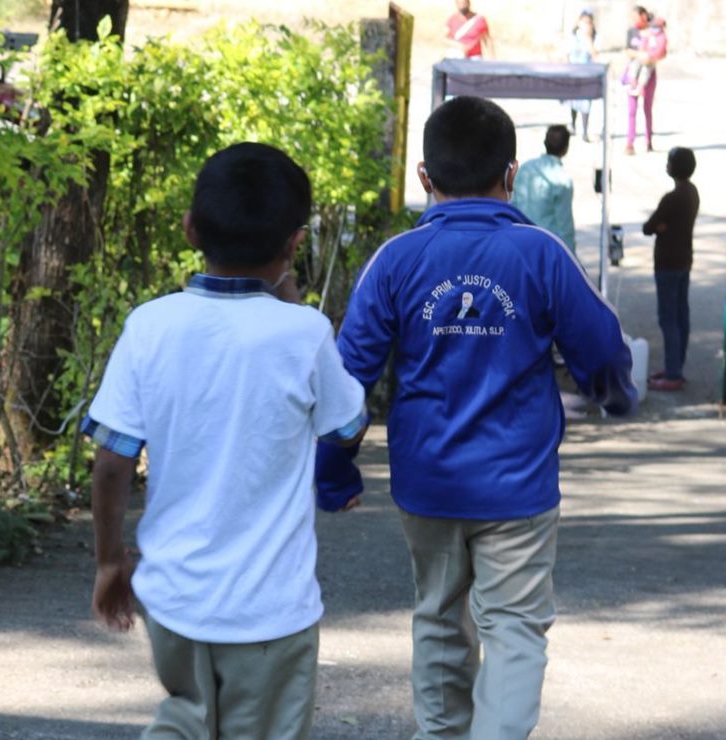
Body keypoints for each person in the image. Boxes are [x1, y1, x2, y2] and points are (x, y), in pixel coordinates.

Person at [315, 96, 638, 740]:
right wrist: (615, 395)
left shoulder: (397, 260)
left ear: (423, 177)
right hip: (518, 486)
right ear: (511, 175)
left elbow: (344, 377)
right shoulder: (540, 254)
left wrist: (334, 472)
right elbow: (601, 350)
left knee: (437, 616)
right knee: (515, 628)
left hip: (427, 482)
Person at [84, 142, 368, 739]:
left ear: (190, 229)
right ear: (295, 243)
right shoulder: (305, 333)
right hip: (270, 611)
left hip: (175, 603)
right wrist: (292, 303)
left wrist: (111, 561)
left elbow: (111, 462)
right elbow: (347, 428)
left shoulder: (149, 326)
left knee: (186, 716)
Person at [644, 146, 699, 392]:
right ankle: (676, 366)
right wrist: (661, 226)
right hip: (685, 260)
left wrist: (660, 227)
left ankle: (673, 372)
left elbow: (648, 226)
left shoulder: (672, 198)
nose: (666, 165)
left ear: (675, 167)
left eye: (669, 161)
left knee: (668, 318)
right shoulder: (692, 192)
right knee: (680, 315)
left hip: (667, 262)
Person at [511, 124, 577, 253]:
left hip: (519, 244)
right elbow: (565, 227)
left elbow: (513, 205)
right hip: (545, 250)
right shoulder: (562, 180)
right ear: (566, 148)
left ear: (545, 143)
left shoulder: (524, 168)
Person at [624, 6, 665, 154]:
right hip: (633, 72)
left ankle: (648, 141)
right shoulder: (632, 31)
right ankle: (630, 142)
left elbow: (662, 50)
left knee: (647, 109)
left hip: (649, 72)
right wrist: (639, 55)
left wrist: (651, 58)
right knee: (632, 110)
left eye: (635, 16)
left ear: (644, 15)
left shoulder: (655, 30)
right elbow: (627, 49)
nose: (634, 20)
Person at [567, 9, 597, 140]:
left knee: (586, 102)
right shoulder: (573, 36)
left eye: (589, 22)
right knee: (573, 101)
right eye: (584, 22)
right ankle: (573, 125)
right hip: (573, 73)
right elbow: (566, 53)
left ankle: (585, 131)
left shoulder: (594, 37)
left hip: (587, 75)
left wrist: (589, 38)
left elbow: (595, 54)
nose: (586, 25)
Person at [626, 17, 668, 97]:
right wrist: (641, 52)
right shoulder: (648, 34)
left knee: (645, 72)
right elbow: (642, 44)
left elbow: (661, 52)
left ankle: (639, 87)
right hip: (642, 56)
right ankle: (632, 83)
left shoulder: (662, 37)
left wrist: (650, 57)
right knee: (634, 66)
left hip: (650, 60)